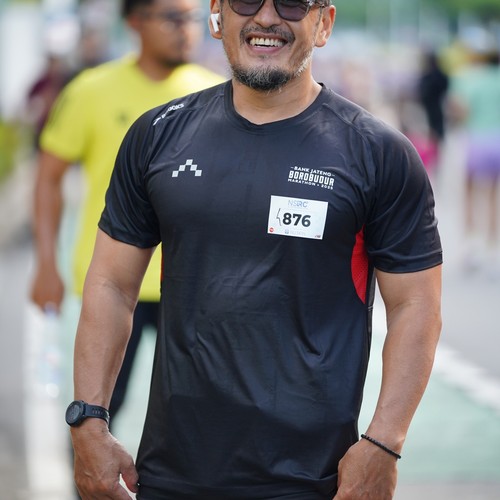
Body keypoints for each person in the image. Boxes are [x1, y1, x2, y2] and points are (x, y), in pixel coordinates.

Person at [68, 0, 443, 498]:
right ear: (217, 14)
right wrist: (89, 419)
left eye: (291, 3)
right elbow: (112, 285)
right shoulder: (158, 135)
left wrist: (384, 443)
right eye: (246, 0)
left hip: (316, 481)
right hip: (171, 474)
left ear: (324, 23)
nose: (266, 17)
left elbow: (416, 305)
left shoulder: (378, 153)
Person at [30, 0, 223, 425]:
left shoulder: (219, 95)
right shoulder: (90, 90)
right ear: (135, 21)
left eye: (192, 18)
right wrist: (46, 264)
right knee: (95, 415)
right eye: (171, 17)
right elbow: (48, 177)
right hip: (111, 281)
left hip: (193, 285)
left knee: (199, 420)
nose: (186, 28)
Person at [449, 47, 500, 274]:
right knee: (493, 194)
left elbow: (460, 108)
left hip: (476, 139)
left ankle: (471, 244)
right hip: (497, 139)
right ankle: (492, 246)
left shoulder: (470, 78)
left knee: (469, 191)